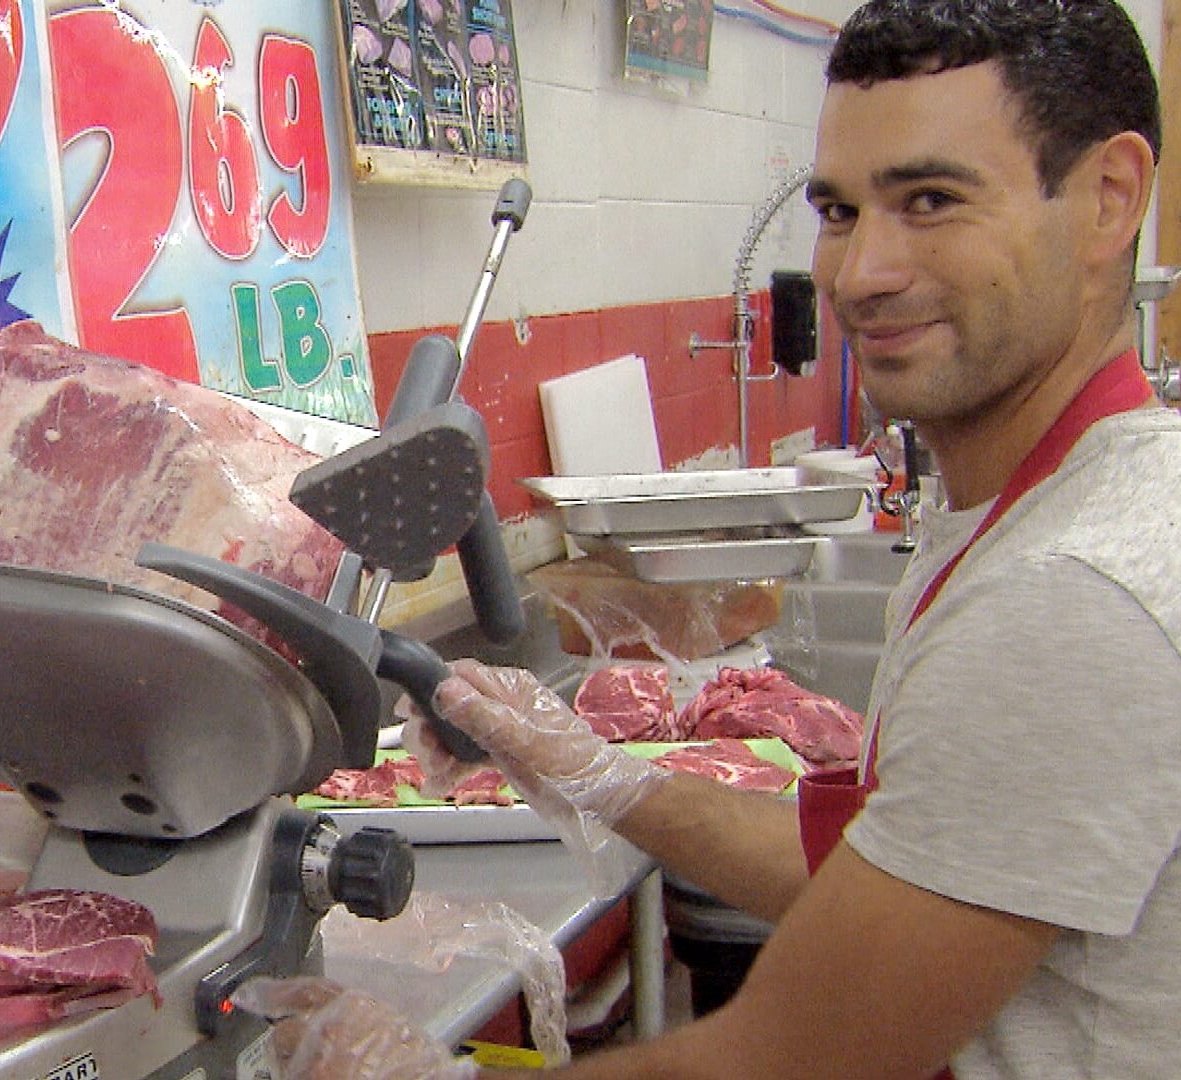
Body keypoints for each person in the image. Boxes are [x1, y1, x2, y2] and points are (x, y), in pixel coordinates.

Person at [235, 1, 1181, 1076]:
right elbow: (875, 870)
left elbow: (784, 1060)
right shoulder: (1041, 511)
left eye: (930, 201)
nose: (860, 272)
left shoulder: (1068, 598)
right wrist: (606, 780)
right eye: (838, 209)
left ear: (1108, 199)